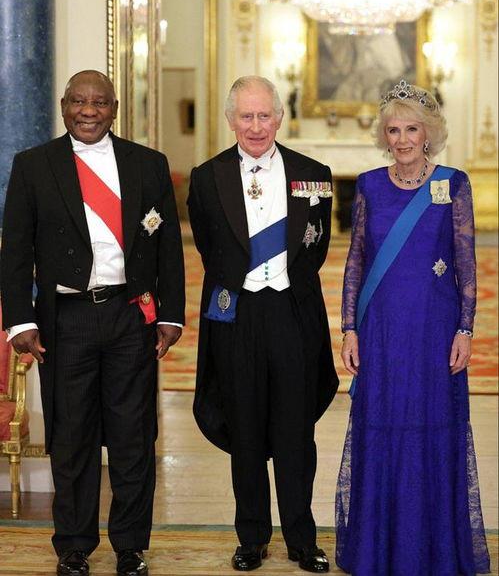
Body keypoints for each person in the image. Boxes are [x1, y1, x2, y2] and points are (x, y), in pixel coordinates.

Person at [0, 70, 185, 576]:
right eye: (78, 102)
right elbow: (15, 252)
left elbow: (168, 247)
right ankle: (74, 546)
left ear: (115, 109)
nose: (88, 111)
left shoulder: (148, 164)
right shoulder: (34, 165)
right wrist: (20, 321)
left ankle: (130, 546)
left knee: (133, 436)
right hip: (67, 320)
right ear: (63, 106)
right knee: (71, 437)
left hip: (130, 315)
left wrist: (171, 313)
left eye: (99, 102)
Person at [336, 80, 490, 575]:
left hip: (434, 331)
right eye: (393, 130)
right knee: (382, 424)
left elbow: (466, 263)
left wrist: (465, 329)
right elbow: (355, 260)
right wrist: (349, 328)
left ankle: (435, 550)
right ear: (384, 136)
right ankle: (377, 549)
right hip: (381, 330)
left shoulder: (453, 183)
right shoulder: (368, 185)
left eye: (411, 130)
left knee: (432, 426)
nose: (402, 139)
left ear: (428, 134)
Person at [188, 75, 338, 573]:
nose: (256, 126)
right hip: (237, 317)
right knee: (246, 430)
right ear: (231, 120)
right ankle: (251, 538)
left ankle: (301, 539)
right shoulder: (206, 178)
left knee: (296, 432)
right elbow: (210, 248)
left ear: (279, 117)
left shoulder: (313, 174)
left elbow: (316, 247)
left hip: (292, 314)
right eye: (246, 116)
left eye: (264, 115)